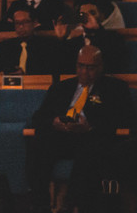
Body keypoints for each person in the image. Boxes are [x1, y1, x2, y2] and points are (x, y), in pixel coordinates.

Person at [26, 46, 136, 213]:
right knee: (38, 145)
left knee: (91, 149)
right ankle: (40, 205)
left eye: (90, 67)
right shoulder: (61, 87)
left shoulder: (115, 88)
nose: (84, 72)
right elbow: (39, 117)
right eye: (80, 66)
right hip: (63, 135)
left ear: (101, 67)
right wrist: (54, 121)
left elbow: (125, 119)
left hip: (92, 136)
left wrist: (90, 126)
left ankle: (73, 204)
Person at [0, 8, 58, 75]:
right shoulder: (4, 46)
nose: (21, 26)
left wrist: (25, 74)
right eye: (17, 23)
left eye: (25, 22)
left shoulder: (47, 45)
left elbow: (50, 71)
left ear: (34, 23)